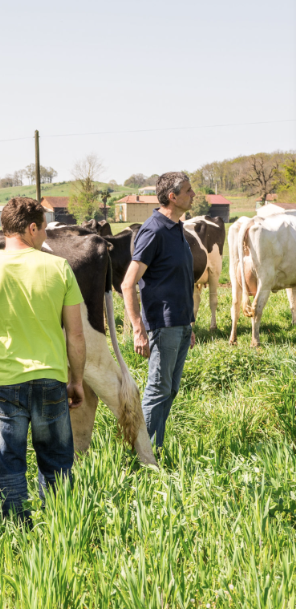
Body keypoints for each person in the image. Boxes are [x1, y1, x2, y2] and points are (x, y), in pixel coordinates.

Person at [0, 197, 85, 524]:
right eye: (44, 228)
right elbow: (75, 335)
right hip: (50, 379)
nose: (45, 235)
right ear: (31, 228)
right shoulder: (59, 267)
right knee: (57, 463)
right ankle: (60, 529)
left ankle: (18, 532)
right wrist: (76, 381)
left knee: (10, 464)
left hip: (2, 383)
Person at [121, 172, 196, 452]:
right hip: (163, 326)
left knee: (170, 390)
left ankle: (156, 448)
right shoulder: (153, 230)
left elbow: (180, 280)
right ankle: (144, 455)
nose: (193, 195)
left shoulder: (177, 227)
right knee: (157, 391)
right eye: (188, 191)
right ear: (172, 197)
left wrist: (188, 324)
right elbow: (128, 283)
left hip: (180, 324)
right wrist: (138, 330)